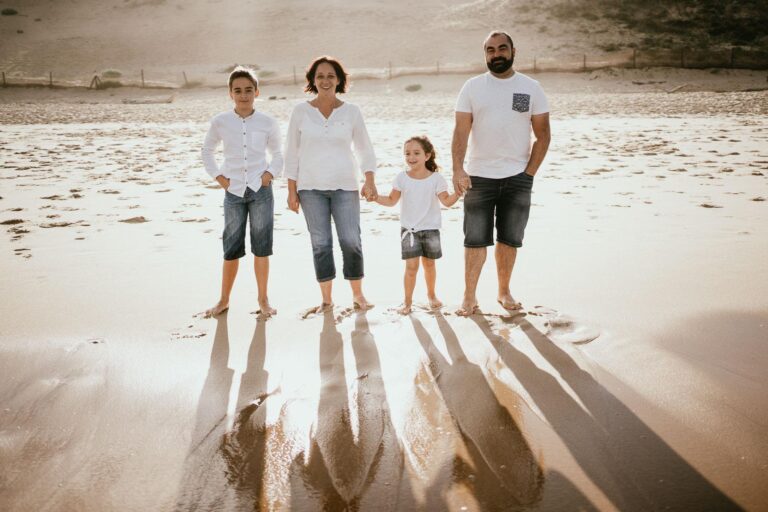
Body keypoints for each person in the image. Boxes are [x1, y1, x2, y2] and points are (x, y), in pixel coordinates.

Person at [451, 30, 551, 316]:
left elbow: (543, 136)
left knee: (509, 239)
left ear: (513, 51)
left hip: (518, 178)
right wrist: (459, 168)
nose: (496, 54)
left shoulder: (531, 87)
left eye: (502, 48)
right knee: (474, 240)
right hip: (478, 177)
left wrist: (528, 175)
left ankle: (504, 292)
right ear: (485, 54)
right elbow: (460, 133)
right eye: (490, 50)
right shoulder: (471, 87)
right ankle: (469, 297)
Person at [284, 56, 378, 314]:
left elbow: (364, 148)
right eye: (320, 76)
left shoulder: (351, 112)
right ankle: (327, 300)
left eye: (330, 76)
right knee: (321, 243)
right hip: (310, 187)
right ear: (313, 81)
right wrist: (291, 190)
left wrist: (369, 178)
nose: (325, 80)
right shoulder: (300, 112)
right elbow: (291, 153)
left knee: (351, 240)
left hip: (345, 186)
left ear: (339, 80)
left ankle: (358, 295)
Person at [201, 66, 283, 318]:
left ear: (257, 92)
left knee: (262, 247)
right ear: (230, 94)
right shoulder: (220, 122)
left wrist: (269, 175)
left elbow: (279, 154)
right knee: (231, 248)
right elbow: (207, 151)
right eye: (238, 90)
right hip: (233, 191)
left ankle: (263, 299)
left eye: (248, 90)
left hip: (261, 191)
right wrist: (220, 178)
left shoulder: (268, 122)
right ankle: (224, 299)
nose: (243, 95)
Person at [375, 136, 461, 315]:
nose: (411, 157)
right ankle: (407, 302)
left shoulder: (436, 179)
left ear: (427, 156)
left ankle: (431, 295)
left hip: (431, 230)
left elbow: (446, 201)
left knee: (429, 266)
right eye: (407, 153)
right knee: (411, 268)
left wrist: (458, 193)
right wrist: (375, 197)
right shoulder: (402, 178)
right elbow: (391, 201)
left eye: (416, 153)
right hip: (410, 231)